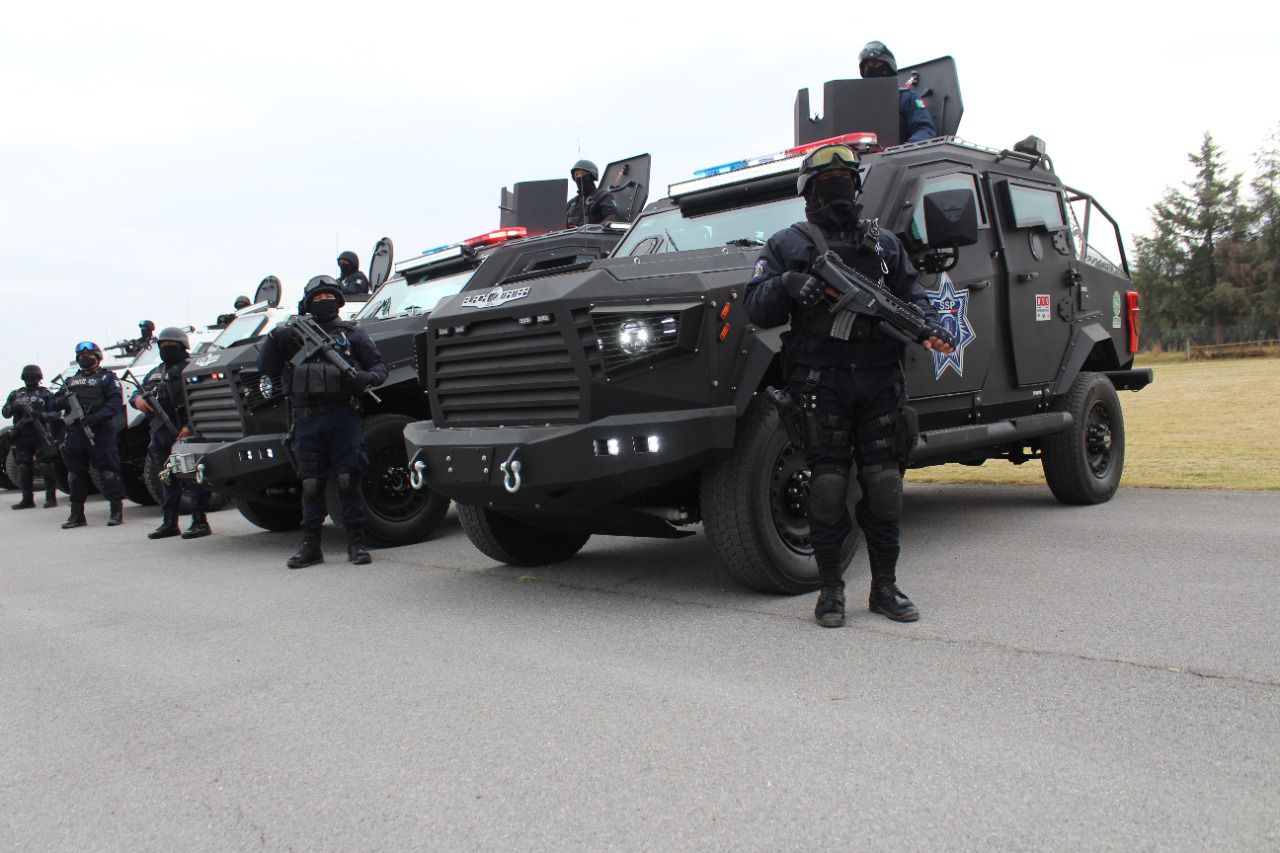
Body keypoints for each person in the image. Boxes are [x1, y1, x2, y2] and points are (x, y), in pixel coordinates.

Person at [743, 143, 955, 628]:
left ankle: (885, 588)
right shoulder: (787, 244)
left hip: (879, 378)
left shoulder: (884, 245)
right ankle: (831, 591)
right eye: (825, 181)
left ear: (856, 186)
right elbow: (756, 306)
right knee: (827, 488)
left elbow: (913, 295)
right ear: (808, 191)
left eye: (843, 179)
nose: (835, 188)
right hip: (821, 382)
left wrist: (927, 323)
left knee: (884, 486)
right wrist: (787, 285)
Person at [257, 275, 387, 568]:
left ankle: (356, 543)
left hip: (342, 416)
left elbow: (379, 365)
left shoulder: (352, 334)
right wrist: (274, 339)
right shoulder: (293, 336)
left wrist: (369, 377)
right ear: (307, 304)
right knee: (312, 484)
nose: (324, 302)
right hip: (307, 420)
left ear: (338, 302)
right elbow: (267, 367)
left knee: (348, 480)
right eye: (317, 299)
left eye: (328, 297)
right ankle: (311, 546)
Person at [130, 327, 213, 540]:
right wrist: (137, 399)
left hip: (185, 431)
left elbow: (206, 398)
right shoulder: (157, 371)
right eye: (163, 345)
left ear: (182, 346)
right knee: (167, 478)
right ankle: (169, 522)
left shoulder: (193, 367)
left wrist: (191, 425)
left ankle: (199, 521)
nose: (166, 348)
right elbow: (137, 392)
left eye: (171, 345)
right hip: (161, 432)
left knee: (193, 478)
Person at [55, 341, 127, 528]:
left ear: (98, 357)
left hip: (100, 431)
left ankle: (116, 511)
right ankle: (77, 515)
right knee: (75, 475)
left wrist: (96, 417)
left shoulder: (107, 378)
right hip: (76, 432)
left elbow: (115, 403)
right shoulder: (70, 380)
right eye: (81, 356)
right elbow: (54, 401)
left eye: (89, 355)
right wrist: (64, 402)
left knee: (108, 472)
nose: (85, 358)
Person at [858, 41, 938, 144]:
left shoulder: (906, 98)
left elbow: (925, 130)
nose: (869, 69)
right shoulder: (859, 104)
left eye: (875, 64)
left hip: (901, 152)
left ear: (887, 67)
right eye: (866, 66)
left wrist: (906, 148)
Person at [3, 365, 60, 510]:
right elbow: (5, 412)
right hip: (22, 434)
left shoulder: (46, 394)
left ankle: (51, 498)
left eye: (33, 376)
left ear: (39, 378)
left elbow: (56, 414)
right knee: (23, 466)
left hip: (40, 433)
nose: (30, 379)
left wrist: (41, 415)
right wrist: (13, 407)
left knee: (45, 465)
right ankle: (27, 499)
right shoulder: (16, 394)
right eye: (28, 376)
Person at [565, 160, 619, 228]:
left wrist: (594, 229)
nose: (578, 177)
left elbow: (612, 217)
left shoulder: (603, 196)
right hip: (571, 235)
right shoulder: (571, 203)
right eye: (576, 174)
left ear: (591, 176)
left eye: (581, 174)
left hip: (595, 234)